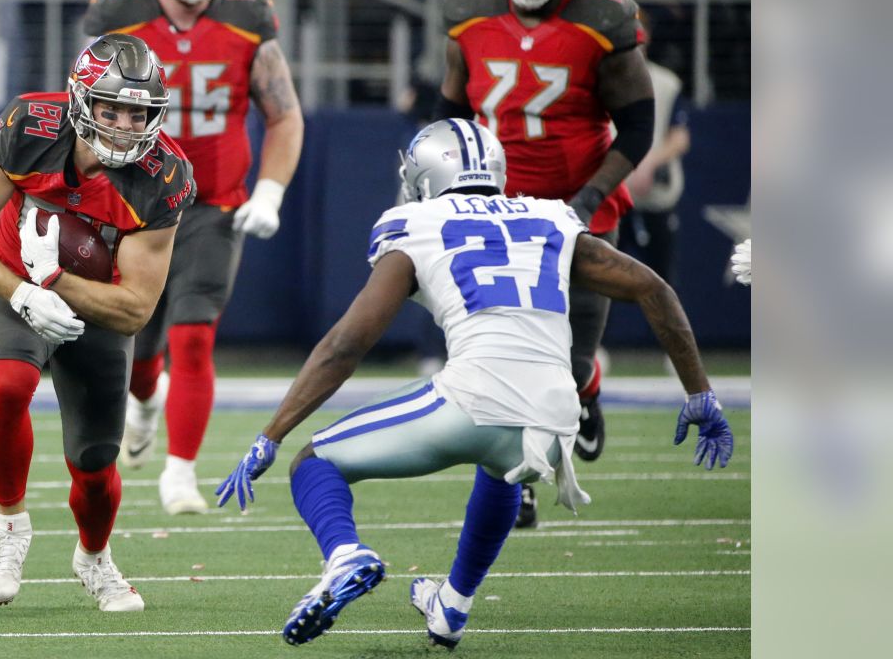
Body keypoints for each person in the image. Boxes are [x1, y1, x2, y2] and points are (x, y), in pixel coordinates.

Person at [214, 119, 734, 648]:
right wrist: (700, 394)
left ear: (424, 175)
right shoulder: (551, 214)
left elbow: (346, 345)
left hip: (470, 401)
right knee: (504, 468)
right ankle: (451, 607)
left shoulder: (413, 222)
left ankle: (345, 555)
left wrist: (272, 434)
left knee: (314, 463)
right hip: (555, 425)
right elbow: (655, 289)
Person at [0, 33, 196, 612]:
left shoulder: (163, 175)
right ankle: (9, 528)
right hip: (13, 283)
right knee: (9, 386)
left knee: (96, 459)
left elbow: (135, 309)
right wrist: (23, 289)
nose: (125, 124)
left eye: (138, 111)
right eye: (112, 109)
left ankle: (94, 558)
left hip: (93, 303)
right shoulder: (31, 126)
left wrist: (60, 282)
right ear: (81, 101)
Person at [436, 0, 656, 526]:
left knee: (570, 361)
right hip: (499, 212)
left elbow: (638, 127)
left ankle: (587, 388)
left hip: (582, 207)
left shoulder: (604, 22)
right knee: (498, 355)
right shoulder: (469, 15)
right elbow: (451, 114)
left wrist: (585, 200)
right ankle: (520, 484)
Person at [80, 0, 305, 515]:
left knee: (195, 333)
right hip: (133, 202)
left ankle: (179, 474)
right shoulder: (118, 16)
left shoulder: (247, 19)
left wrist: (271, 190)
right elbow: (83, 109)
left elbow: (283, 115)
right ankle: (148, 401)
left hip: (211, 203)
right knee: (137, 346)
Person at [621, 24, 692, 285]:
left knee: (661, 281)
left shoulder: (666, 83)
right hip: (613, 198)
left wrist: (649, 162)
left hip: (655, 197)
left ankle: (663, 328)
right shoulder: (599, 80)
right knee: (604, 281)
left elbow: (680, 138)